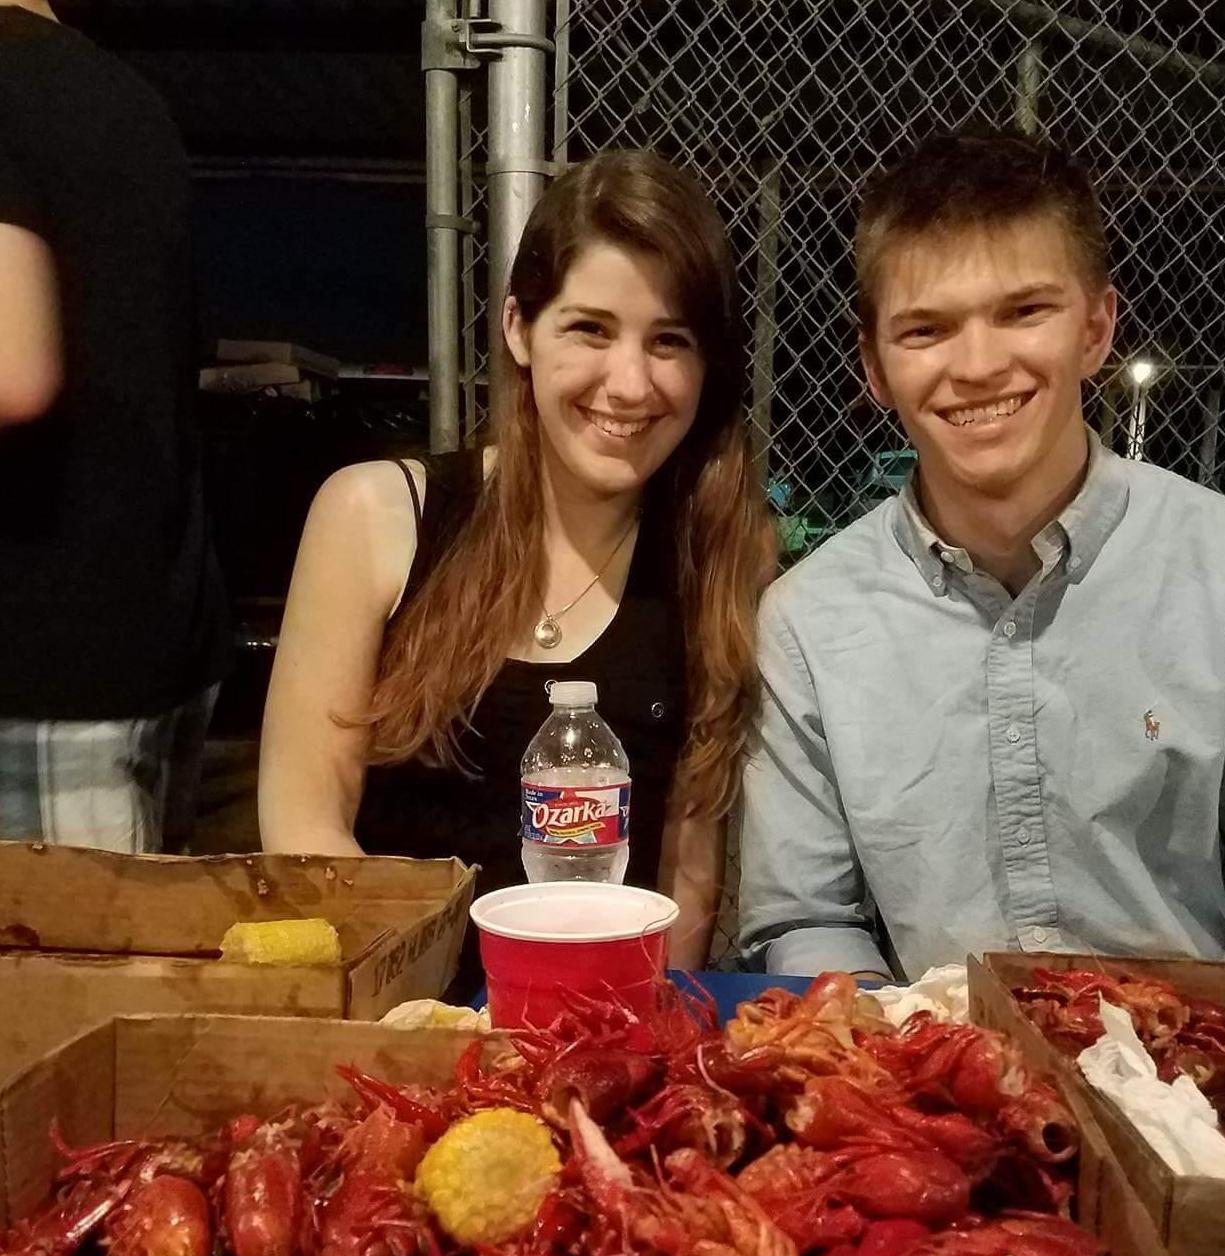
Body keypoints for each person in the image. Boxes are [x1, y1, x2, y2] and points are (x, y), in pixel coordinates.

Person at [739, 130, 1225, 982]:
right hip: (930, 1079)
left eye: (1023, 312)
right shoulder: (809, 622)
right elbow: (804, 920)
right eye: (925, 329)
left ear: (1096, 329)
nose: (977, 365)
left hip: (1191, 1079)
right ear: (875, 369)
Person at [259, 151, 774, 976]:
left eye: (669, 341)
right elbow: (306, 830)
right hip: (401, 1005)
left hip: (602, 1021)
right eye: (590, 329)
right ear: (518, 329)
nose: (630, 383)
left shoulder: (718, 556)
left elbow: (688, 870)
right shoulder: (374, 515)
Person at [0, 0, 229, 851]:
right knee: (126, 977)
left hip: (36, 670)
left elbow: (11, 372)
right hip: (137, 641)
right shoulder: (119, 92)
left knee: (59, 980)